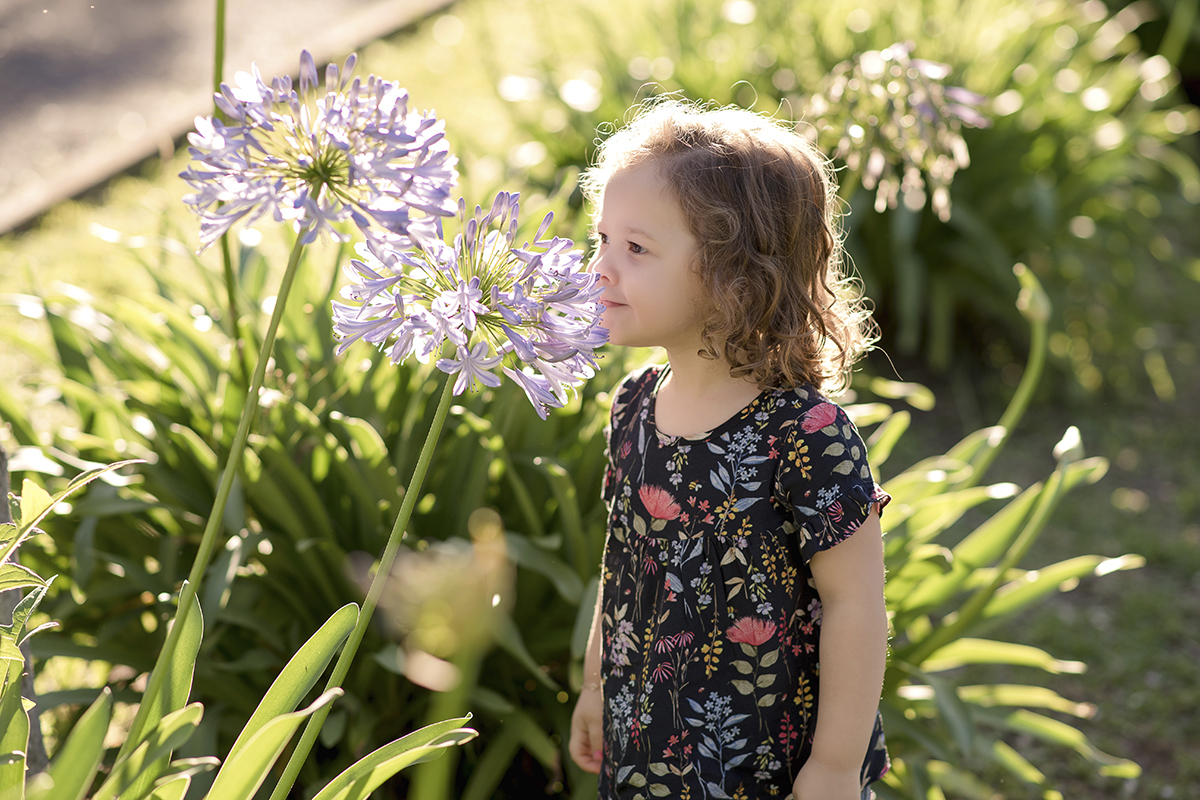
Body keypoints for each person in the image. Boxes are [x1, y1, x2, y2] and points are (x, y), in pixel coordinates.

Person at [568, 98, 891, 800]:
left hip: (768, 768)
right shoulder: (633, 406)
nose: (600, 269)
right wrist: (596, 684)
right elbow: (622, 564)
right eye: (601, 240)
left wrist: (834, 766)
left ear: (735, 276)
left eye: (636, 249)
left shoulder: (805, 434)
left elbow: (857, 604)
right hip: (646, 748)